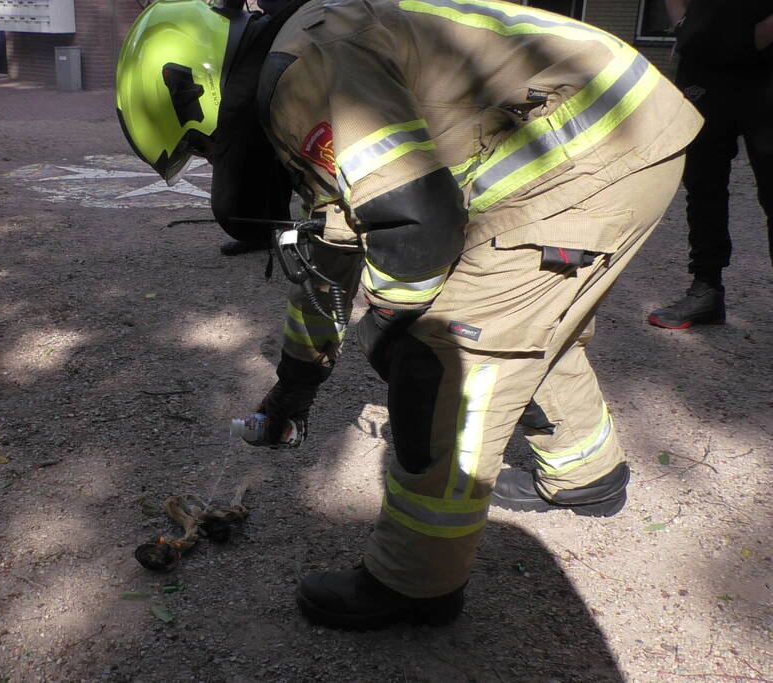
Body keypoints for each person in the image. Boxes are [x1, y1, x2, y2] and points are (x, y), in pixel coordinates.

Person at [116, 0, 702, 630]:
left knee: (448, 351)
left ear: (196, 97)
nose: (219, 166)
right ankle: (585, 470)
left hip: (590, 150)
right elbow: (333, 253)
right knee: (521, 316)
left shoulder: (307, 71)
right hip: (617, 126)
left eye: (206, 150)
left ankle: (416, 581)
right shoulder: (300, 56)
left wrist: (395, 324)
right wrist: (294, 386)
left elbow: (414, 221)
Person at [648, 0, 773, 329]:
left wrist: (761, 32)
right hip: (704, 67)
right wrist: (684, 27)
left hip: (767, 63)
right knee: (703, 183)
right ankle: (706, 291)